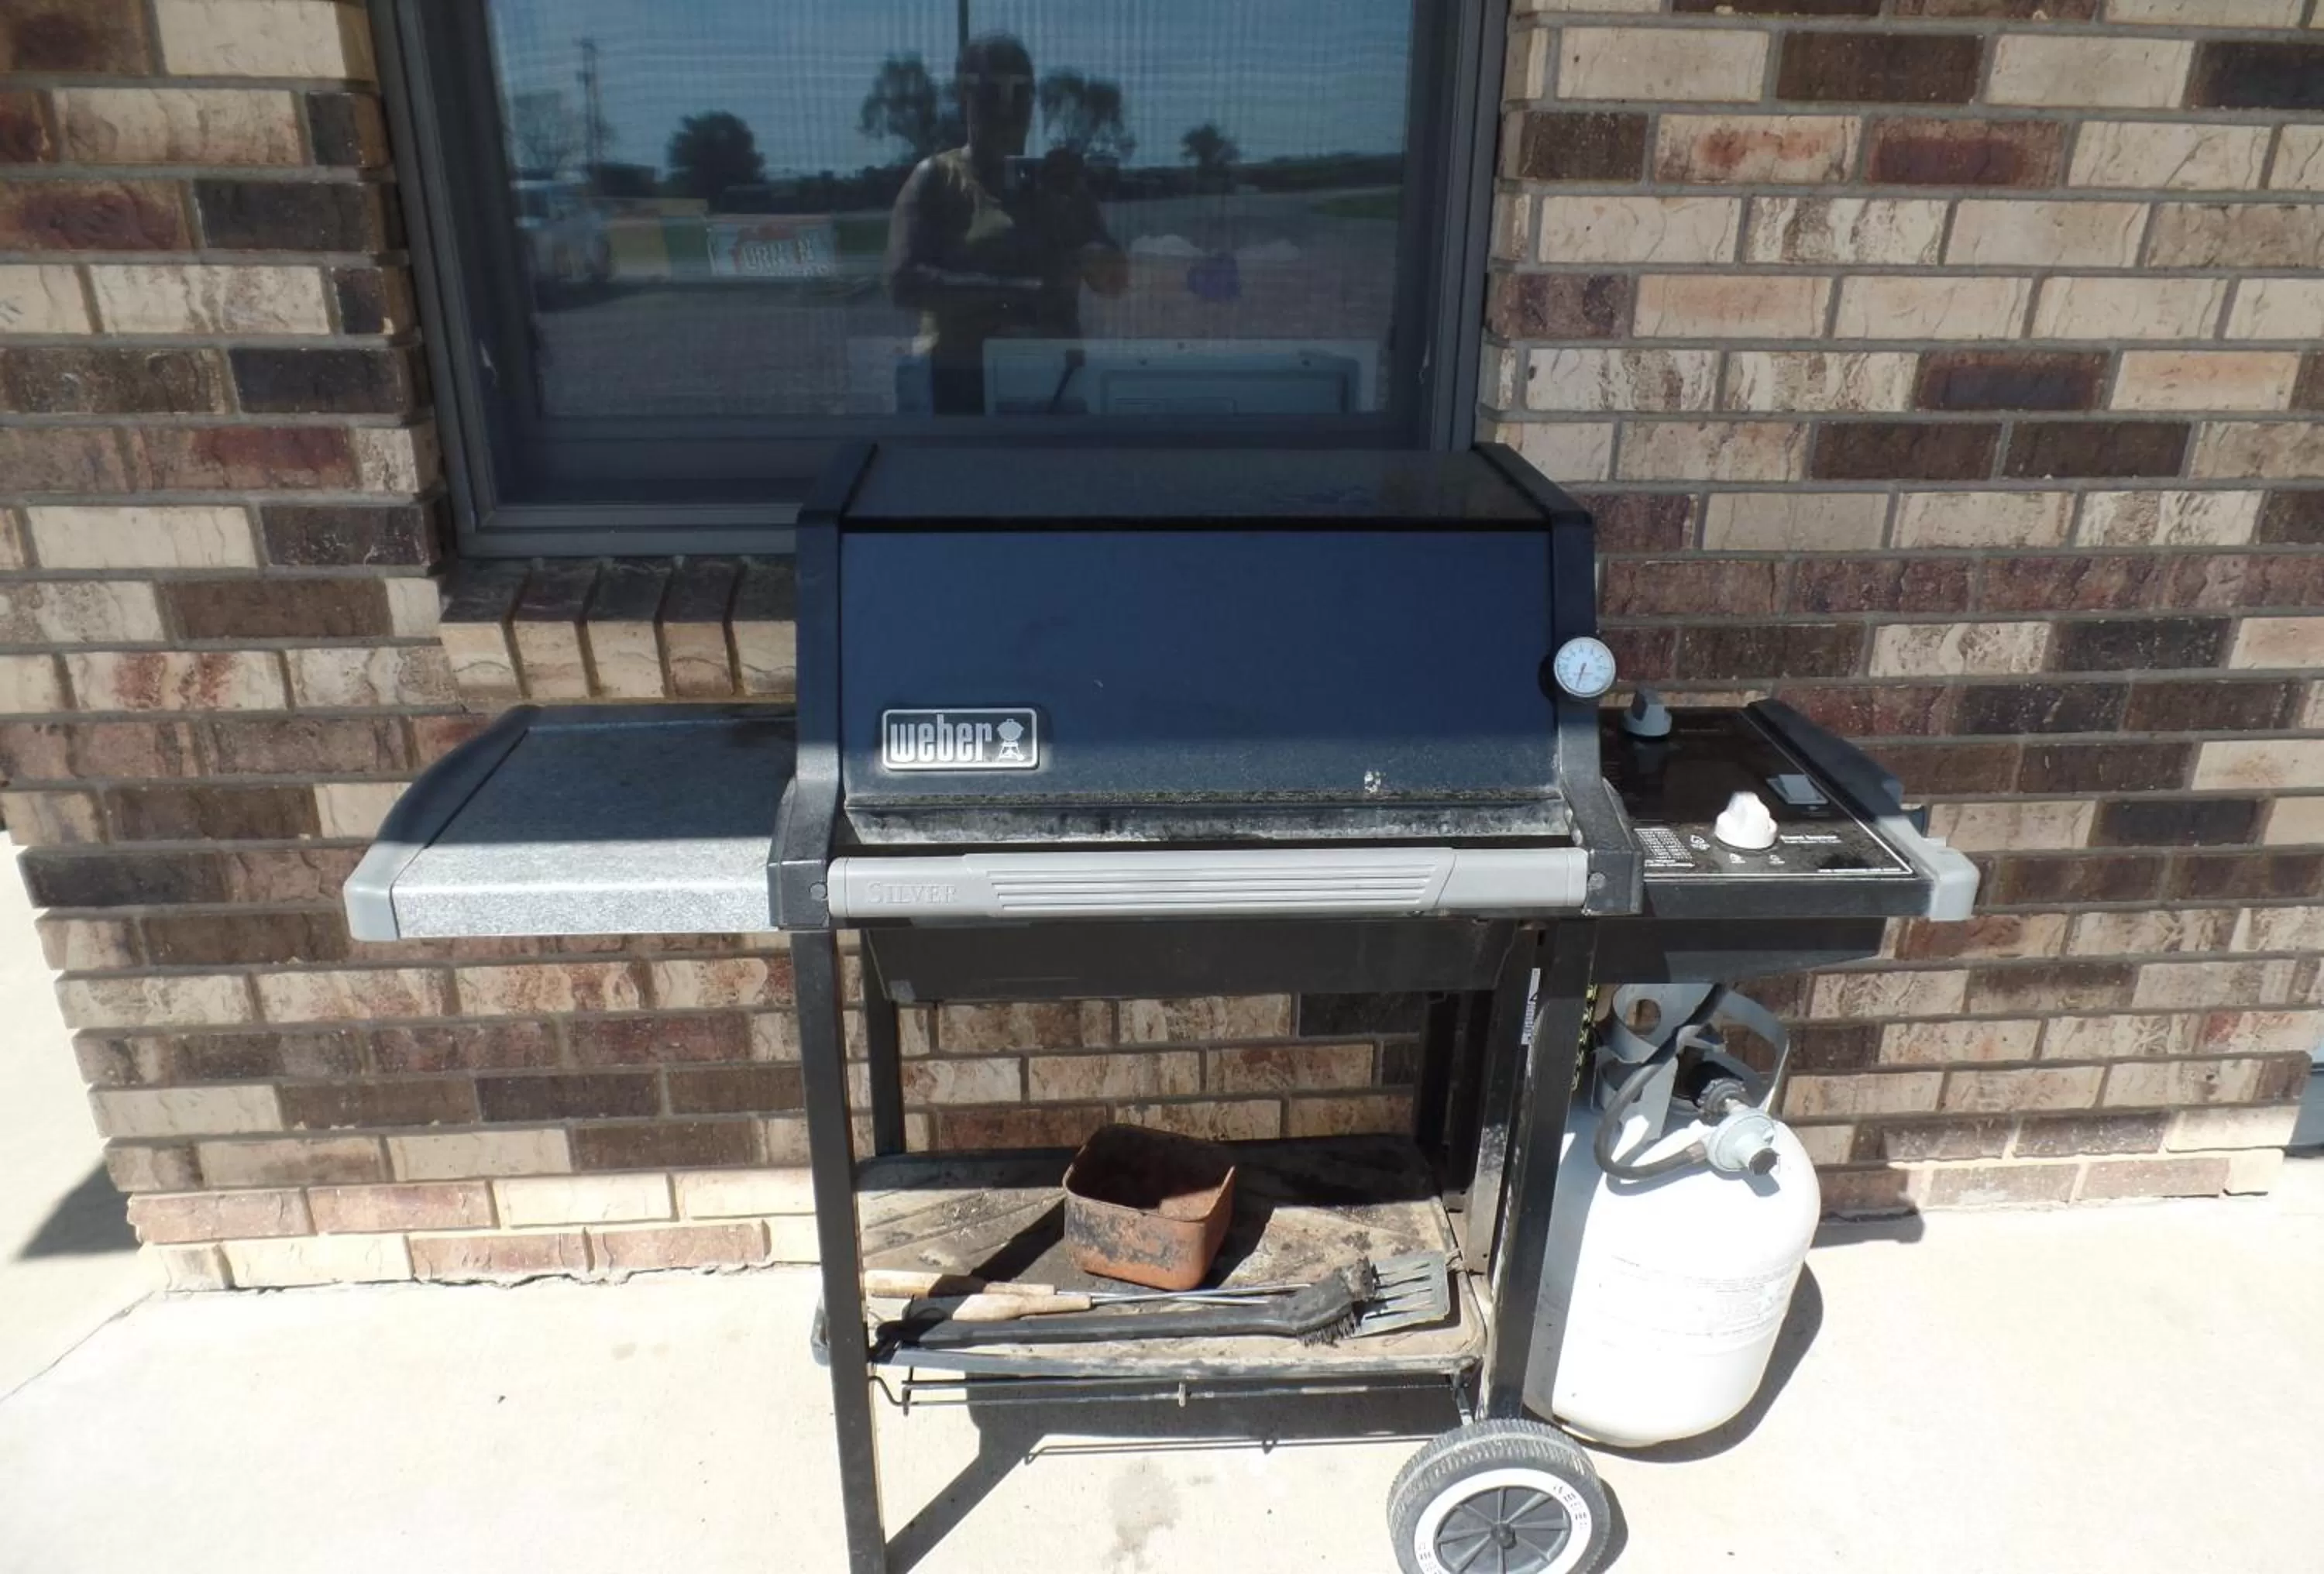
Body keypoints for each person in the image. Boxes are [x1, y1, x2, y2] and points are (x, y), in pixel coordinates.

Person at [885, 33, 1129, 414]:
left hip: (1056, 386)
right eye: (992, 92)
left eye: (1023, 94)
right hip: (964, 386)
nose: (1009, 109)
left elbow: (1114, 283)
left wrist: (1074, 220)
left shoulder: (1059, 186)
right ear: (963, 97)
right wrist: (1015, 291)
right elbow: (904, 283)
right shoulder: (939, 179)